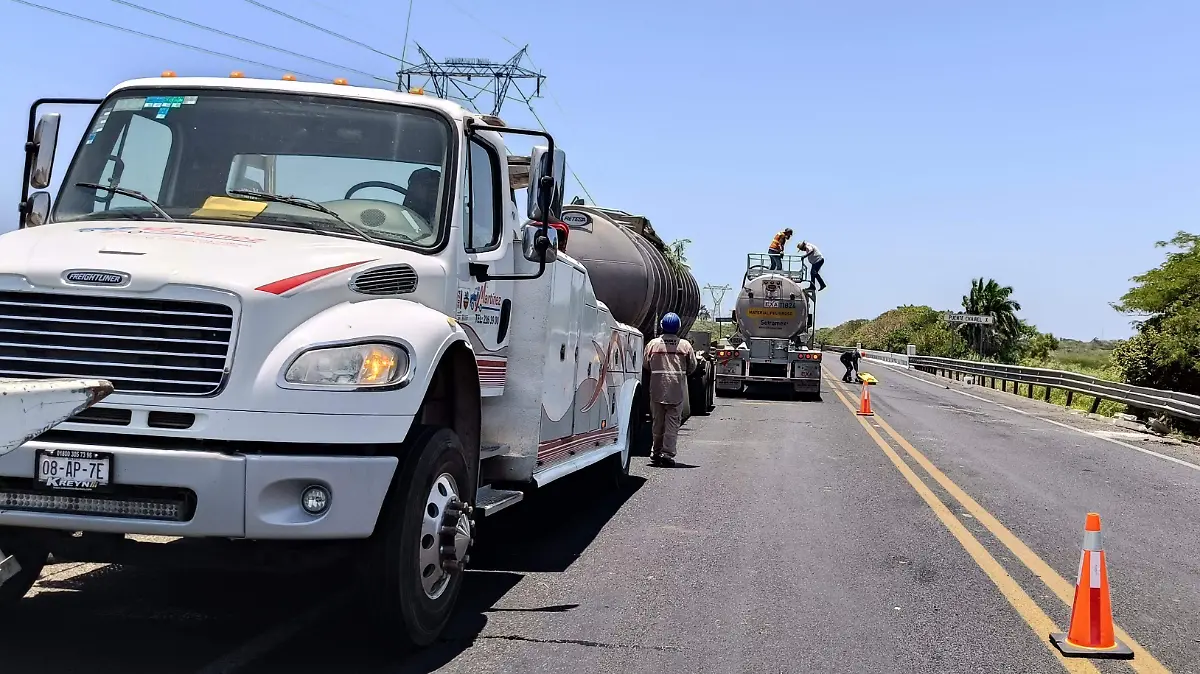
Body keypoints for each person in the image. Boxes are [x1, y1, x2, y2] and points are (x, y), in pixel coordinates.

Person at [643, 312, 698, 467]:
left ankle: (655, 452)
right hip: (676, 391)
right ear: (678, 327)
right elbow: (692, 366)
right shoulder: (685, 345)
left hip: (657, 389)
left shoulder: (653, 344)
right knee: (672, 424)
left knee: (657, 423)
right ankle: (667, 455)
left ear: (662, 326)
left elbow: (645, 364)